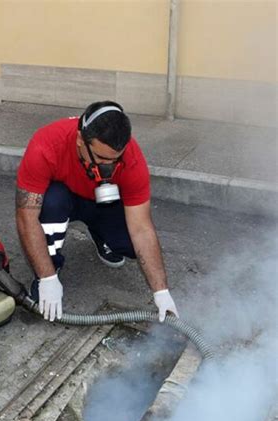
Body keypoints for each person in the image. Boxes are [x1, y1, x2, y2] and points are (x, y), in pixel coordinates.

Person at [16, 100, 179, 322]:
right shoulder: (46, 144)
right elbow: (26, 217)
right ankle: (50, 267)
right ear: (80, 140)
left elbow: (141, 228)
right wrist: (47, 277)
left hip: (102, 204)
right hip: (63, 202)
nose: (108, 167)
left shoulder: (131, 158)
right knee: (52, 201)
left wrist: (161, 292)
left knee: (131, 245)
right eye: (102, 159)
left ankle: (100, 234)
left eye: (115, 160)